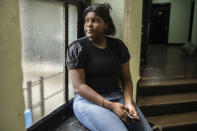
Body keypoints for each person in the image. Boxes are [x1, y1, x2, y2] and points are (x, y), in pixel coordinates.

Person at [66, 3, 152, 131]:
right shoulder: (77, 48)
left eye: (95, 21)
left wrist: (128, 102)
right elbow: (79, 87)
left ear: (106, 25)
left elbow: (126, 79)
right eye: (86, 21)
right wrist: (110, 106)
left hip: (117, 96)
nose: (89, 25)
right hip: (88, 101)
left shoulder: (118, 46)